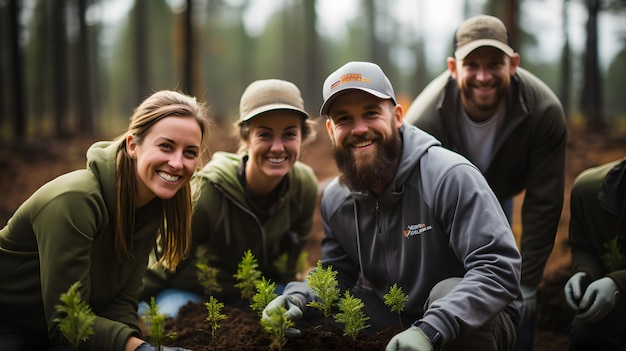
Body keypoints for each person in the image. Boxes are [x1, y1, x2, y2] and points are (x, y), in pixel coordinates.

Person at [262, 61, 522, 350]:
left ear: (397, 116)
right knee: (312, 317)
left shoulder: (449, 177)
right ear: (331, 131)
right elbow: (336, 273)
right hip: (396, 314)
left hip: (474, 318)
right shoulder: (337, 199)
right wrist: (297, 298)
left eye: (371, 113)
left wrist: (430, 329)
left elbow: (497, 268)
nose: (358, 129)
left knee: (447, 290)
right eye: (344, 119)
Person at [0, 90, 211, 351]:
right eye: (166, 146)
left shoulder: (151, 206)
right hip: (12, 323)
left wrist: (134, 344)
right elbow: (67, 318)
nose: (177, 163)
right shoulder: (75, 201)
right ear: (133, 145)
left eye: (190, 152)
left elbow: (121, 301)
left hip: (58, 331)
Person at [403, 14, 567, 350]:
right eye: (472, 64)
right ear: (452, 67)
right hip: (448, 203)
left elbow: (543, 203)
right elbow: (415, 204)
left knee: (509, 277)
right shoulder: (424, 120)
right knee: (458, 273)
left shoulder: (544, 111)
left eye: (495, 63)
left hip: (503, 188)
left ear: (514, 64)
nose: (483, 76)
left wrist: (530, 283)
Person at [141, 79, 318, 316]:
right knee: (172, 320)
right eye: (264, 135)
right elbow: (165, 264)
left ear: (302, 138)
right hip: (194, 294)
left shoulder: (304, 187)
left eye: (289, 135)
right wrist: (126, 305)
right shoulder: (206, 194)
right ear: (245, 138)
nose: (277, 147)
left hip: (260, 292)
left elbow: (289, 261)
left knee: (305, 310)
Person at [563, 158, 626, 350]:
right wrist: (583, 271)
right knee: (586, 332)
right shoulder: (589, 192)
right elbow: (585, 246)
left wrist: (618, 283)